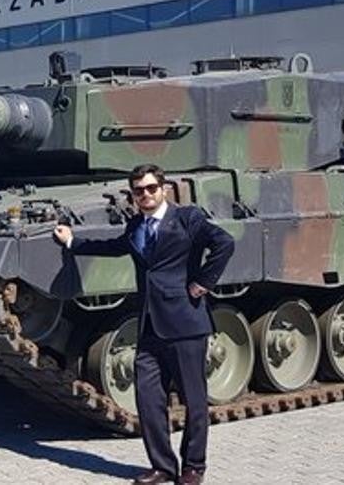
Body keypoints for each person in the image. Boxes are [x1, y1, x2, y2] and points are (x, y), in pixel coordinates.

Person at [53, 164, 234, 485]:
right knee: (148, 399)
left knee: (194, 400)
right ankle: (163, 467)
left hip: (185, 321)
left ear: (163, 189)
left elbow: (224, 243)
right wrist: (72, 242)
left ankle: (193, 468)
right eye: (139, 191)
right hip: (150, 325)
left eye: (151, 188)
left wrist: (202, 283)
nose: (145, 195)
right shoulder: (136, 224)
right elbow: (113, 248)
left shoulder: (187, 218)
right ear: (133, 195)